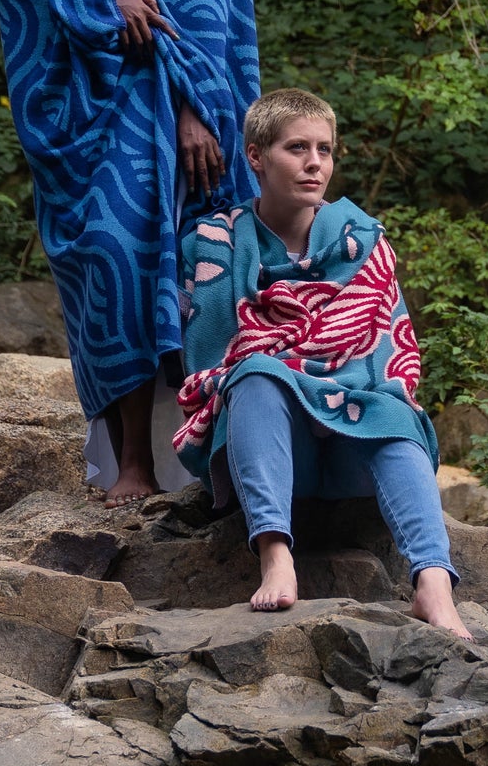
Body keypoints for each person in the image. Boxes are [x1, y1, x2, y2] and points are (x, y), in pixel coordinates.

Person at [0, 0, 259, 506]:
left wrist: (196, 113)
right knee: (110, 257)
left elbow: (216, 19)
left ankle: (218, 466)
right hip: (103, 116)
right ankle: (131, 465)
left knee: (195, 275)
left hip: (195, 124)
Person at [173, 87, 470, 639]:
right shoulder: (212, 243)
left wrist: (336, 392)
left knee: (396, 412)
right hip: (270, 448)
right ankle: (275, 554)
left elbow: (391, 360)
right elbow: (208, 365)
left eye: (325, 150)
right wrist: (285, 375)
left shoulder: (363, 243)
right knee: (255, 374)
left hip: (354, 446)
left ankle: (432, 582)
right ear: (256, 156)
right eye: (297, 148)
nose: (315, 163)